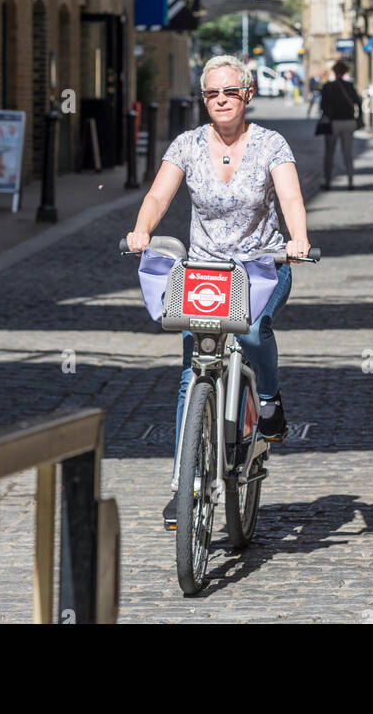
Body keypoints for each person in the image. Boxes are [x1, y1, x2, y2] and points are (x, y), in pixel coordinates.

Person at [125, 54, 311, 531]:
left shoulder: (271, 144)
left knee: (251, 331)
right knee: (193, 373)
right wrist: (142, 230)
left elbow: (289, 196)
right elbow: (159, 196)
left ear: (247, 94)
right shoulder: (187, 145)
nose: (222, 100)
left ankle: (267, 398)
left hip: (261, 265)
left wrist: (298, 239)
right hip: (205, 276)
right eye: (212, 93)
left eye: (230, 91)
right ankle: (182, 487)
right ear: (203, 98)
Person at [318, 60, 362, 189]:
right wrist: (359, 118)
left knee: (329, 153)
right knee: (348, 153)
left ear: (335, 71)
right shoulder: (350, 86)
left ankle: (327, 181)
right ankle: (350, 180)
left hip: (333, 122)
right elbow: (358, 102)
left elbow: (323, 106)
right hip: (349, 121)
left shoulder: (328, 86)